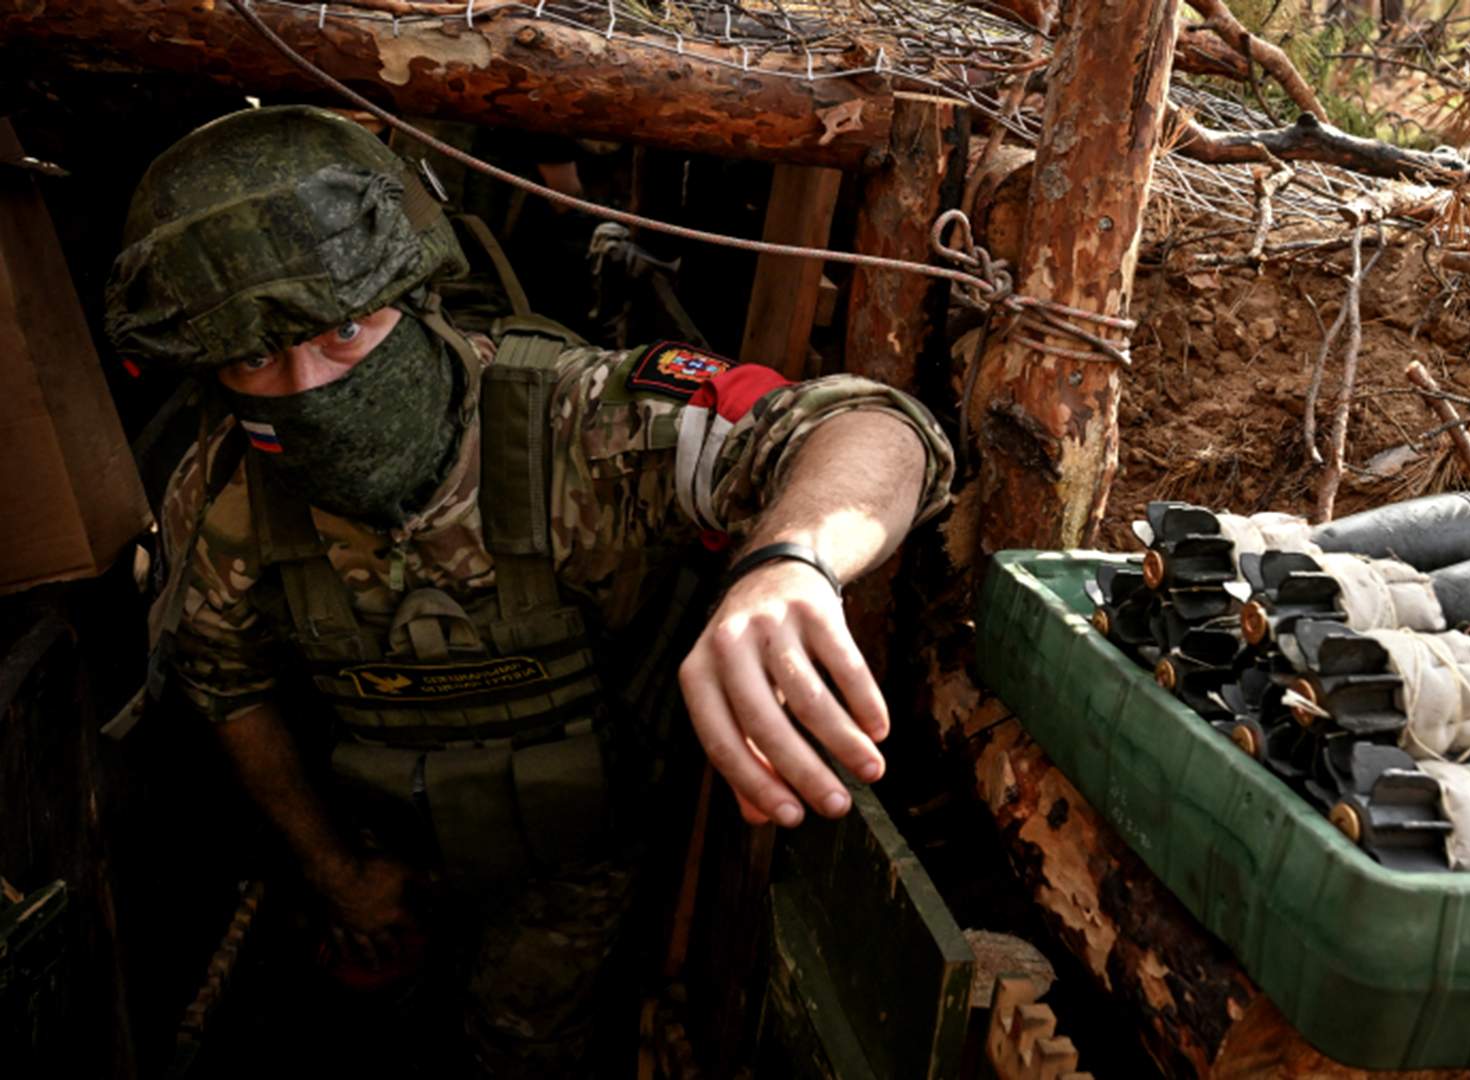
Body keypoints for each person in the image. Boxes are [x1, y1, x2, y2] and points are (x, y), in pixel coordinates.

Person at [105, 105, 953, 1075]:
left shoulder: (576, 425)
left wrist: (790, 559)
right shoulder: (224, 497)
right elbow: (225, 682)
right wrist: (335, 872)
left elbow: (873, 428)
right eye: (257, 356)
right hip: (380, 844)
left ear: (413, 293)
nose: (308, 383)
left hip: (573, 860)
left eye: (344, 327)